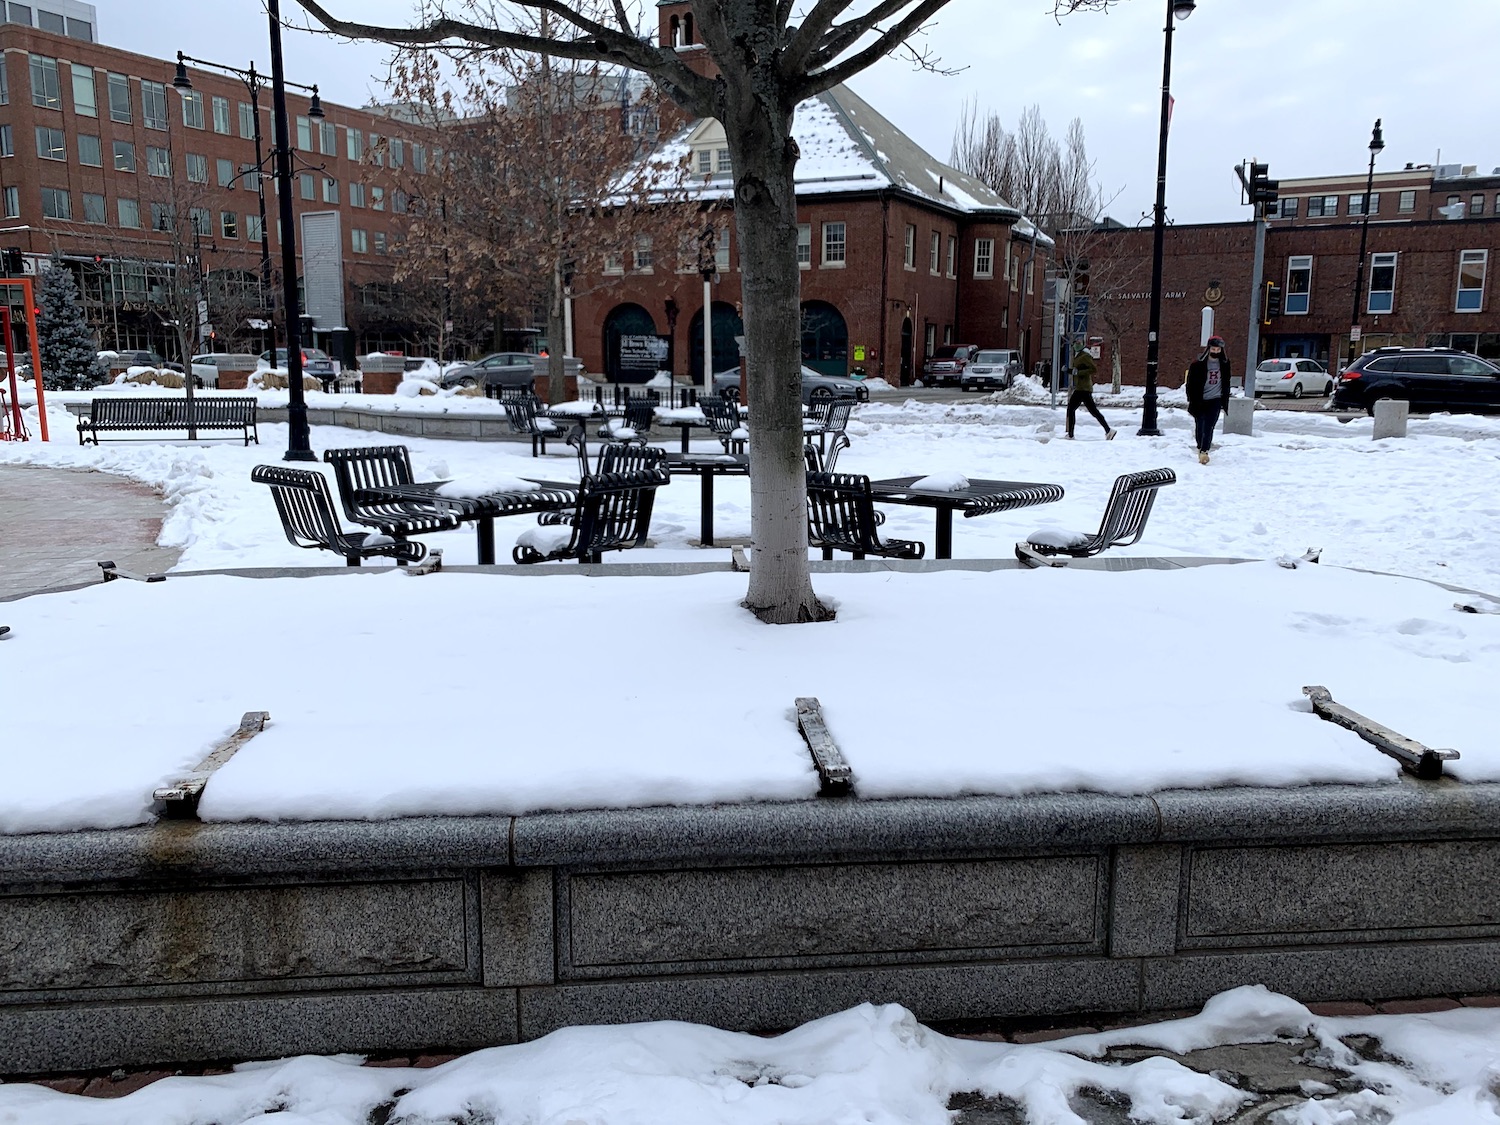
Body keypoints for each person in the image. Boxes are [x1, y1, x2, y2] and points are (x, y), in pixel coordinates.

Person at [1185, 335, 1231, 464]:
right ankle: (1200, 446)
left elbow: (1226, 381)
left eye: (1218, 350)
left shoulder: (1225, 364)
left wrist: (1225, 397)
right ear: (1209, 348)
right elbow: (1191, 383)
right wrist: (1191, 399)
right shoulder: (1197, 364)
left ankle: (1205, 451)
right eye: (1213, 349)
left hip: (1215, 399)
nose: (1216, 352)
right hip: (1200, 400)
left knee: (1209, 426)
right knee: (1200, 424)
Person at [1065, 343, 1116, 440]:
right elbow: (1078, 370)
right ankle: (1108, 430)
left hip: (1083, 388)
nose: (1075, 345)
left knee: (1071, 409)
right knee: (1093, 411)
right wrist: (1069, 371)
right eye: (1075, 343)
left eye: (1078, 343)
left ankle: (1071, 435)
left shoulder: (1085, 356)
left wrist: (1078, 372)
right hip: (1082, 388)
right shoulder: (1079, 355)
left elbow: (1093, 369)